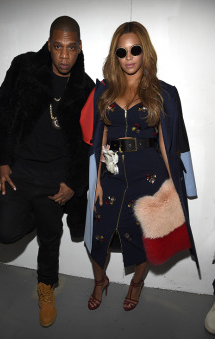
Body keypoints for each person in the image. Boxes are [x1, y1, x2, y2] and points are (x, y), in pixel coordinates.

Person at [80, 21, 199, 311]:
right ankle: (100, 281)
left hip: (149, 174)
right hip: (112, 174)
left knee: (144, 236)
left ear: (145, 52)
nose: (129, 56)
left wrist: (174, 188)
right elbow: (101, 137)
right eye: (122, 51)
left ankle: (136, 283)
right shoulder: (104, 92)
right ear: (115, 56)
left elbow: (168, 144)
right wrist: (96, 182)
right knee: (99, 237)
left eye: (135, 49)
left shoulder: (163, 93)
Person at [0, 16, 94, 327]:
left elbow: (88, 143)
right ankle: (39, 214)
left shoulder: (85, 87)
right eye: (58, 47)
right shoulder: (24, 67)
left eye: (71, 48)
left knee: (50, 239)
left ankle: (46, 286)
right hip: (19, 172)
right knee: (4, 233)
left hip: (55, 180)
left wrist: (73, 184)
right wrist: (1, 160)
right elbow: (0, 110)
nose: (64, 55)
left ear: (79, 48)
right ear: (49, 45)